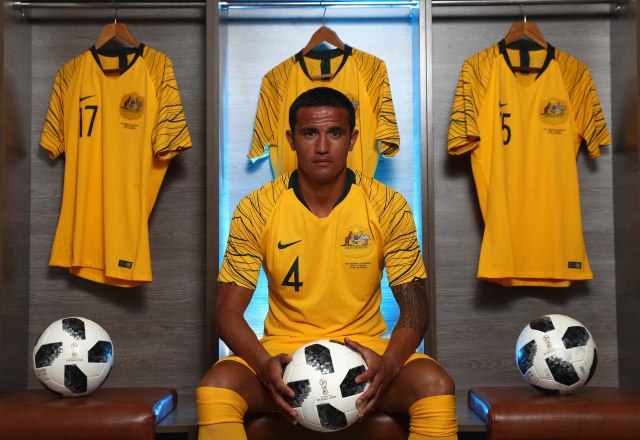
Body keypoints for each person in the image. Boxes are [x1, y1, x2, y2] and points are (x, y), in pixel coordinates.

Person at [197, 87, 458, 440]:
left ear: (352, 139)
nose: (322, 146)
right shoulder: (256, 208)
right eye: (310, 133)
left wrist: (390, 363)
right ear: (291, 140)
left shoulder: (388, 205)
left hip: (364, 350)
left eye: (335, 133)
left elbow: (415, 307)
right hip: (284, 352)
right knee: (217, 386)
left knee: (436, 384)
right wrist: (262, 364)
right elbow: (226, 313)